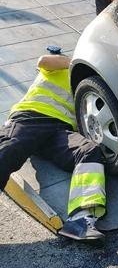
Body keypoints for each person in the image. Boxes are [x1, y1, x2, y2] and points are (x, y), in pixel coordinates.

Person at [0, 52, 107, 243]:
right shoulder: (61, 65)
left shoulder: (94, 85)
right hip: (32, 117)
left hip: (61, 131)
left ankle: (80, 220)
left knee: (89, 151)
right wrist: (75, 63)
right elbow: (43, 60)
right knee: (9, 149)